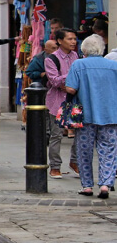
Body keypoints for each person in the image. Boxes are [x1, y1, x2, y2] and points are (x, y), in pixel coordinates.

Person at [65, 35, 117, 198]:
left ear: (84, 50)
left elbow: (71, 89)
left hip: (85, 115)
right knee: (108, 150)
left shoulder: (79, 65)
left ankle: (87, 186)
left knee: (84, 150)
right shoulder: (113, 66)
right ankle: (105, 184)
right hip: (110, 114)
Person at [45, 28, 80, 179]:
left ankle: (75, 161)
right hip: (57, 101)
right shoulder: (51, 59)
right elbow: (54, 81)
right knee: (56, 135)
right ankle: (55, 166)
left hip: (74, 99)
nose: (73, 42)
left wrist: (68, 81)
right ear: (59, 41)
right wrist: (72, 74)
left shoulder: (76, 56)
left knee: (78, 133)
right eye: (70, 39)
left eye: (74, 39)